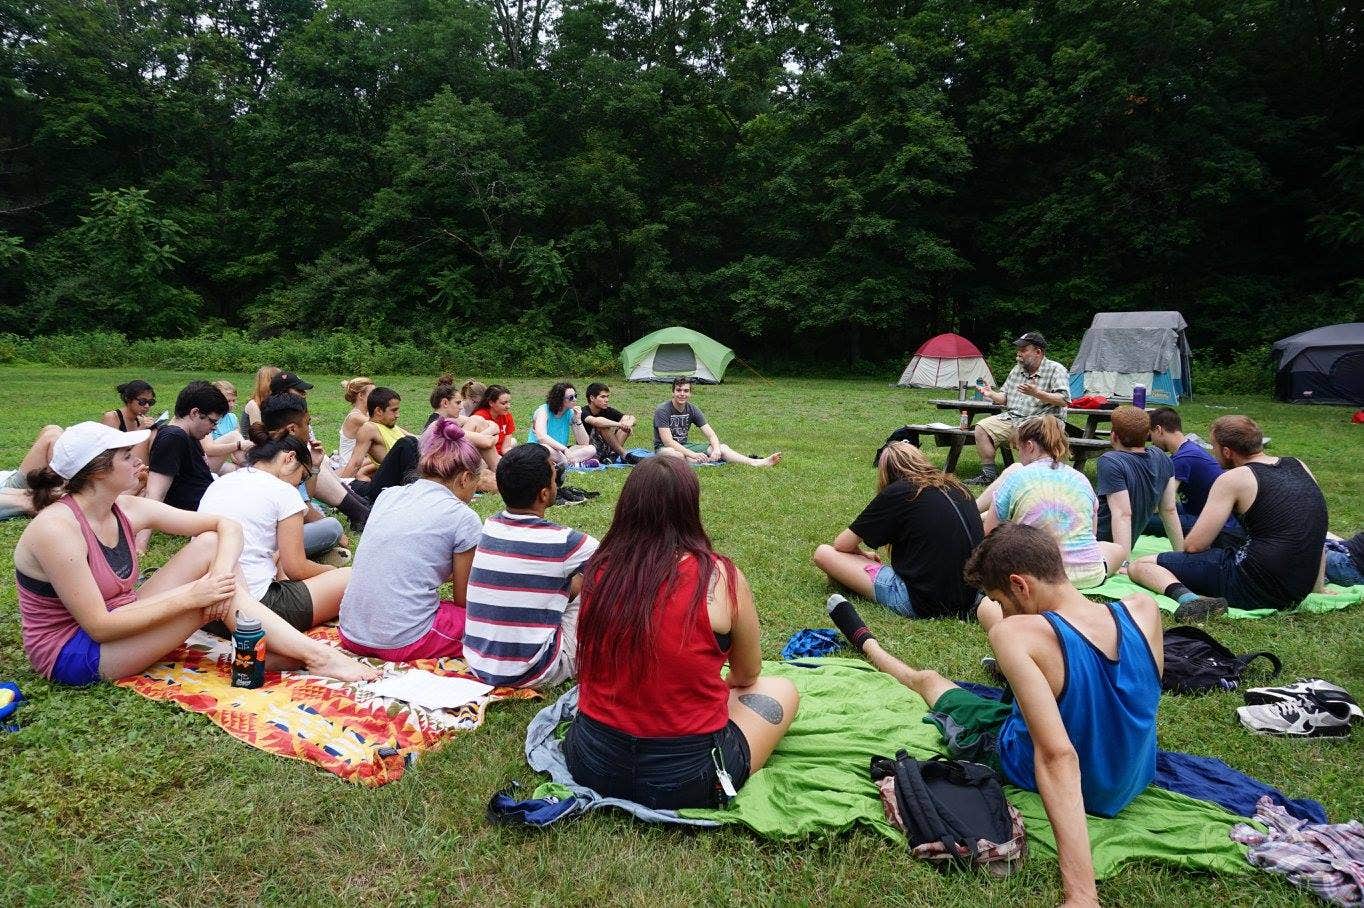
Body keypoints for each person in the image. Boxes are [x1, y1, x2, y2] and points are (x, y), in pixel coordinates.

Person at [826, 522, 1161, 906]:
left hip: (1060, 775)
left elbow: (1057, 756)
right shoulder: (1144, 610)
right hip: (1133, 777)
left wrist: (1081, 895)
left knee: (931, 681)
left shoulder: (1015, 634)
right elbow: (1139, 702)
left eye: (1000, 601)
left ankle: (869, 645)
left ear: (1020, 585)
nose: (1001, 614)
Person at [14, 421, 377, 686]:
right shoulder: (56, 530)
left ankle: (269, 647)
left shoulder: (124, 506)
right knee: (207, 599)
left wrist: (218, 576)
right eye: (128, 456)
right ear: (96, 471)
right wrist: (195, 595)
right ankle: (314, 656)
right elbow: (99, 626)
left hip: (123, 613)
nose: (140, 461)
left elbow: (226, 527)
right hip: (76, 650)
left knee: (209, 549)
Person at [564, 455, 799, 809]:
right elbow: (748, 673)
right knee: (781, 689)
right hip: (689, 778)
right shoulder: (720, 577)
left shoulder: (598, 572)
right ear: (691, 507)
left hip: (592, 762)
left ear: (627, 506)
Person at [1129, 416, 1330, 619]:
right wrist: (1317, 587)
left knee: (1141, 565)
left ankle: (1191, 600)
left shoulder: (1233, 479)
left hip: (1253, 586)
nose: (1212, 453)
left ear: (1227, 451)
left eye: (1214, 447)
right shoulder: (1298, 465)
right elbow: (1317, 529)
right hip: (1298, 588)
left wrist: (1184, 557)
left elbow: (1194, 546)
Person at [339, 419, 485, 660]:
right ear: (465, 478)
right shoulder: (463, 517)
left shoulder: (389, 496)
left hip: (351, 632)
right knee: (488, 622)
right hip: (402, 640)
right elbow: (464, 600)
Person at [463, 444, 599, 688]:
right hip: (535, 669)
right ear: (545, 494)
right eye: (555, 478)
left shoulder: (489, 527)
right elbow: (618, 564)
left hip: (478, 664)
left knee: (566, 581)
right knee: (600, 583)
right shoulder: (565, 541)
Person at [197, 430, 350, 630]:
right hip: (255, 611)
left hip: (205, 609)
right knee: (349, 578)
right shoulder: (284, 491)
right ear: (290, 457)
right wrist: (329, 572)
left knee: (275, 552)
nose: (298, 484)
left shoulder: (222, 483)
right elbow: (297, 568)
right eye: (302, 477)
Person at [812, 442, 983, 619]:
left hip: (923, 602)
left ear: (886, 473)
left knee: (824, 553)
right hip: (972, 597)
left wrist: (861, 554)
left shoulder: (899, 491)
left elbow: (842, 544)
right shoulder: (959, 487)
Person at [976, 416, 1119, 588]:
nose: (1019, 456)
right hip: (1087, 575)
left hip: (1035, 578)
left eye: (1018, 449)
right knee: (1115, 550)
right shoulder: (1081, 479)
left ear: (1029, 446)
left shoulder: (1015, 478)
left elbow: (989, 535)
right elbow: (1091, 534)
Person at [254, 393, 367, 546]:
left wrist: (314, 467)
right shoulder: (289, 459)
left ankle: (360, 509)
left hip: (263, 529)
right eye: (307, 423)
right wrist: (339, 535)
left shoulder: (264, 450)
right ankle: (360, 512)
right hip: (270, 536)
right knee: (333, 527)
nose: (309, 429)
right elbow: (303, 510)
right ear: (292, 429)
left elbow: (306, 498)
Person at [967, 332, 1070, 486]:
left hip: (1044, 419)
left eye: (1023, 350)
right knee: (982, 428)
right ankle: (988, 474)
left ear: (1038, 352)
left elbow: (1063, 400)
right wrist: (991, 394)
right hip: (1014, 417)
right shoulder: (1017, 370)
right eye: (1018, 350)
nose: (1019, 353)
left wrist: (1037, 393)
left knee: (1025, 430)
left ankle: (1035, 477)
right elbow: (1004, 398)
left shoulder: (1056, 369)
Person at [139, 381, 230, 552]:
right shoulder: (173, 437)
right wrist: (140, 544)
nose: (213, 428)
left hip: (209, 503)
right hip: (199, 512)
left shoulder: (189, 435)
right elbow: (155, 492)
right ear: (195, 413)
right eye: (212, 421)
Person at [1094, 406, 1182, 566]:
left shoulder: (1111, 461)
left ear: (1114, 436)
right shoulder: (1162, 457)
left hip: (1100, 545)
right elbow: (1169, 510)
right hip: (1124, 543)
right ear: (1147, 434)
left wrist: (1123, 563)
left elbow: (1123, 514)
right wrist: (1181, 555)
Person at [1147, 407, 1245, 547]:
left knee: (1141, 518)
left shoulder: (1183, 458)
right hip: (1210, 515)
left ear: (1158, 429)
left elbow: (1161, 505)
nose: (1152, 442)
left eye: (1151, 435)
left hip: (1218, 528)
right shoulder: (1189, 449)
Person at [653, 378, 781, 467]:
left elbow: (711, 435)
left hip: (685, 446)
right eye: (678, 390)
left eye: (686, 391)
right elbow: (668, 441)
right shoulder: (663, 410)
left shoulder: (692, 409)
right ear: (673, 392)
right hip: (664, 449)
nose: (682, 394)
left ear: (690, 393)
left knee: (722, 447)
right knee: (676, 455)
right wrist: (693, 454)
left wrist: (716, 450)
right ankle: (693, 459)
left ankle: (756, 463)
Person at [338, 387, 413, 479]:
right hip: (398, 483)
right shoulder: (369, 428)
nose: (398, 415)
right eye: (394, 410)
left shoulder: (391, 426)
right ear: (379, 411)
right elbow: (356, 463)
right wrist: (341, 489)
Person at [0, 424, 64, 521]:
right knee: (52, 436)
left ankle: (61, 490)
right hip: (7, 488)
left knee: (52, 429)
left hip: (6, 480)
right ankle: (68, 490)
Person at [527, 382, 598, 466]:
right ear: (560, 399)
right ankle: (572, 463)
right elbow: (541, 437)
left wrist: (578, 420)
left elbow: (584, 442)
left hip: (560, 452)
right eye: (571, 398)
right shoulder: (543, 411)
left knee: (591, 448)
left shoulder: (570, 413)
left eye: (575, 396)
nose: (575, 399)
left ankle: (564, 462)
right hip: (540, 448)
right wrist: (564, 449)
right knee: (545, 449)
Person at [100, 380, 158, 466]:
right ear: (128, 399)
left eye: (150, 402)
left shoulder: (141, 420)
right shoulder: (112, 418)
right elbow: (109, 453)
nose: (147, 406)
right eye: (142, 401)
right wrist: (140, 430)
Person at [201, 380, 250, 473]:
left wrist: (235, 455)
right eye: (228, 401)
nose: (231, 404)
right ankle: (249, 466)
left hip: (219, 463)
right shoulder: (207, 417)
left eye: (233, 400)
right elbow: (208, 449)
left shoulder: (232, 418)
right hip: (203, 464)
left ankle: (248, 467)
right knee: (234, 436)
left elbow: (235, 452)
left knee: (239, 471)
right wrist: (238, 445)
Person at [581, 382, 637, 463]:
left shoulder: (606, 410)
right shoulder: (583, 411)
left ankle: (613, 455)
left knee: (626, 420)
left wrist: (629, 423)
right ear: (592, 398)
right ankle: (624, 455)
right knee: (602, 425)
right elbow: (596, 421)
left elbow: (630, 417)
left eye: (607, 397)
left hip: (607, 447)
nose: (607, 400)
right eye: (603, 397)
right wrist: (620, 424)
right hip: (590, 449)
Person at [338, 377, 376, 477]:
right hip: (349, 465)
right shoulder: (355, 417)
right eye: (372, 394)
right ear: (361, 395)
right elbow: (382, 427)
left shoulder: (366, 414)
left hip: (360, 460)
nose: (375, 398)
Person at [471, 384, 518, 457]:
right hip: (485, 456)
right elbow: (476, 447)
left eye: (509, 402)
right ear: (491, 403)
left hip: (500, 455)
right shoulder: (479, 417)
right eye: (503, 403)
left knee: (513, 442)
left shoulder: (507, 416)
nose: (508, 406)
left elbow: (505, 448)